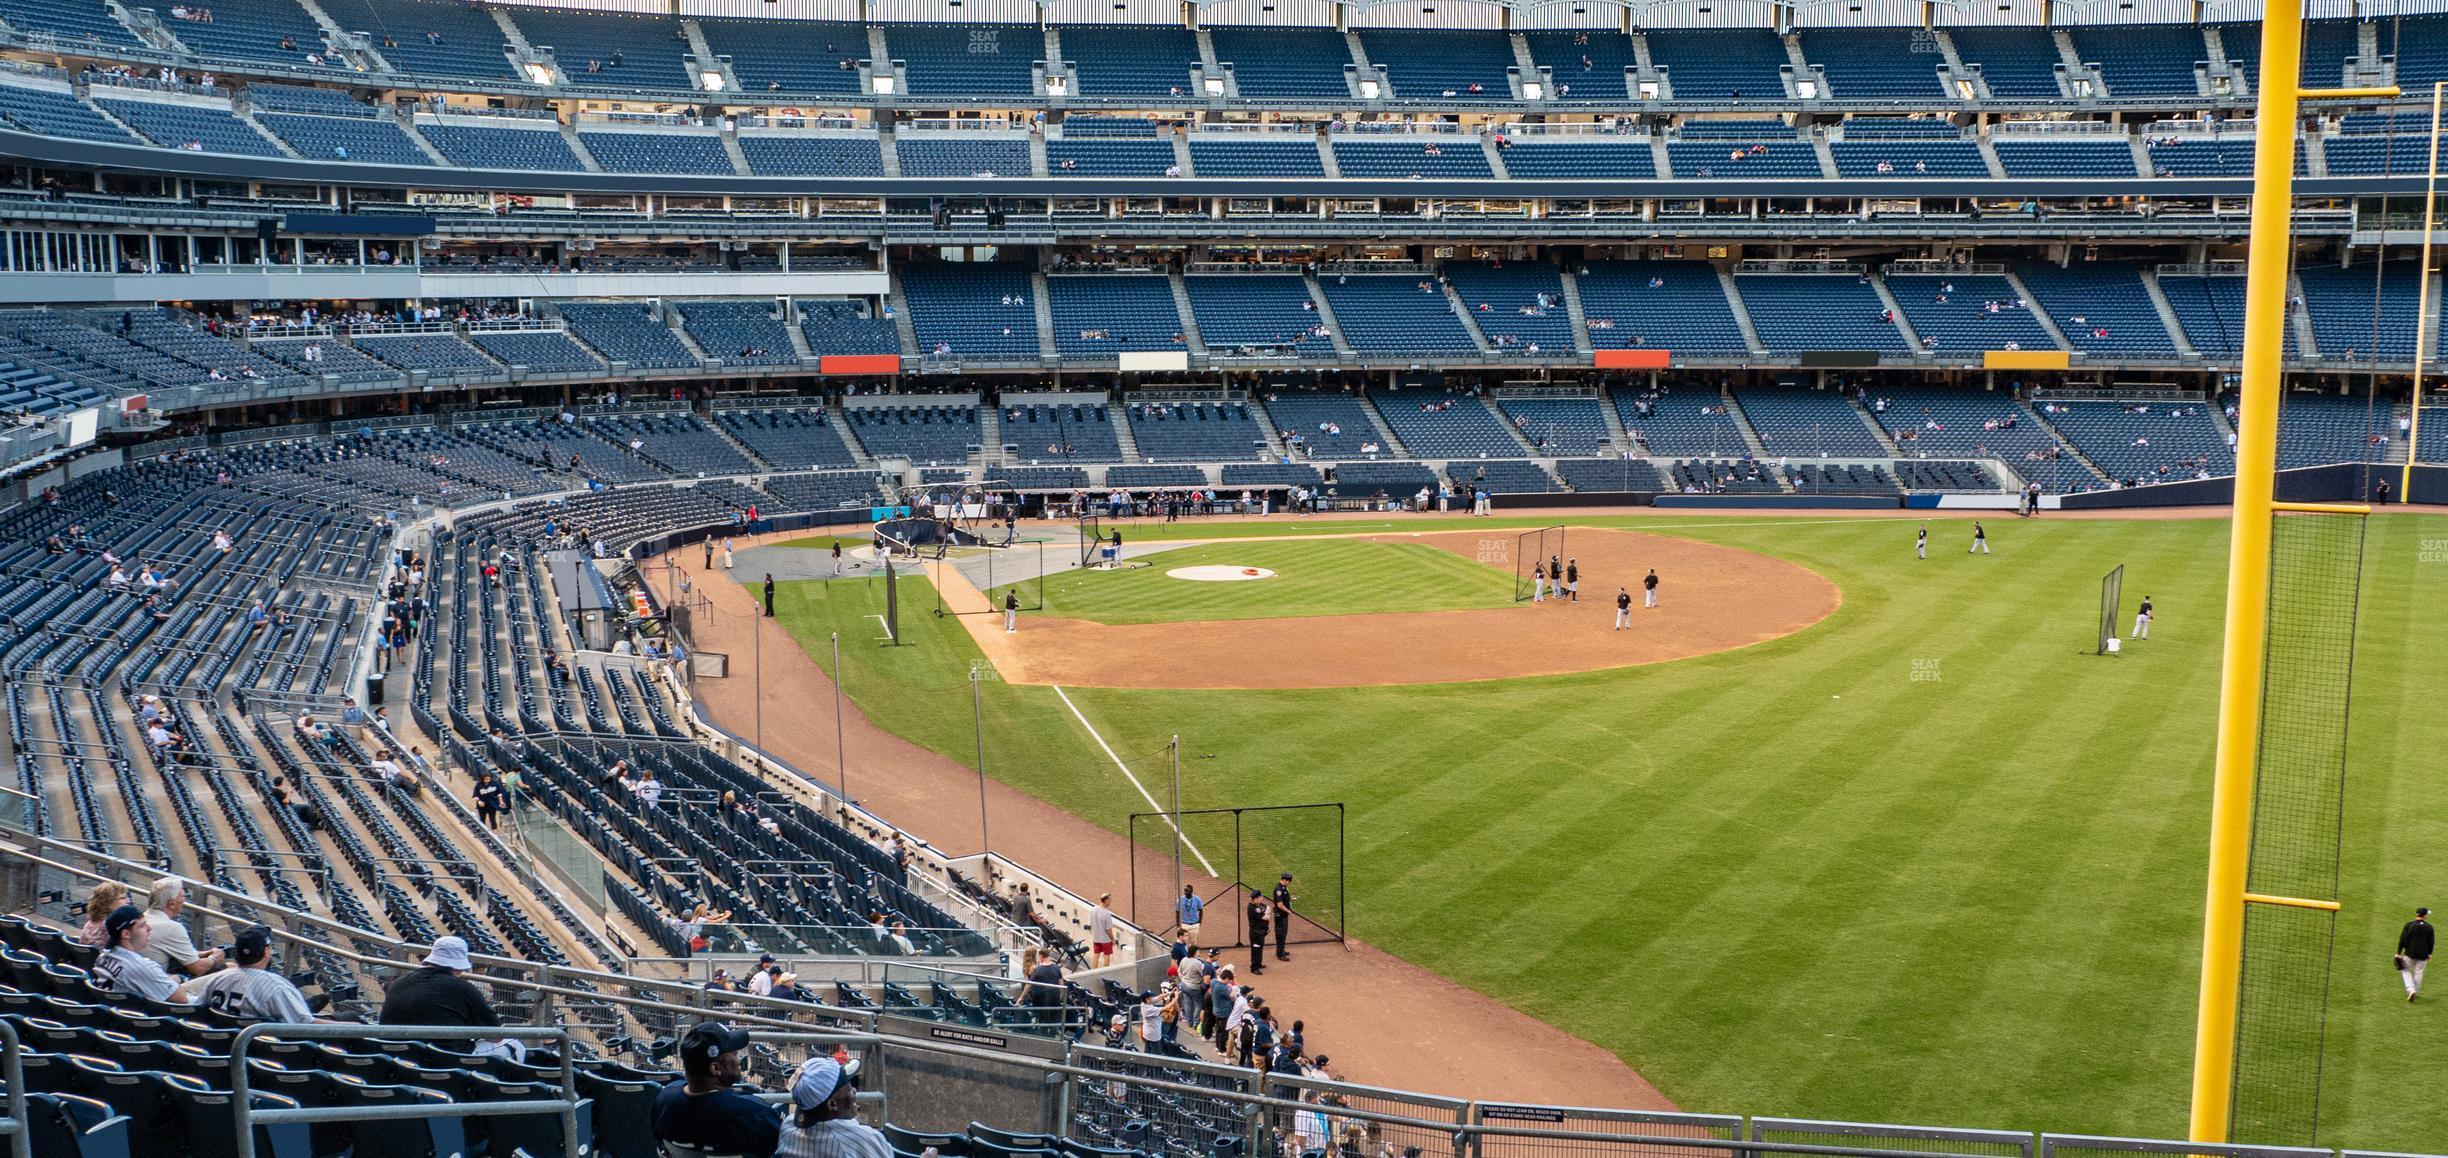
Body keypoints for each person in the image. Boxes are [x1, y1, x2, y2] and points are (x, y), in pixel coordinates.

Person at [651, 1022, 782, 1158]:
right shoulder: (753, 1113)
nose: (739, 1061)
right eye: (735, 1054)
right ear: (716, 1069)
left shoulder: (664, 1099)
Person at [180, 925, 324, 1023]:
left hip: (222, 1047)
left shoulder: (218, 978)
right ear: (266, 952)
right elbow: (306, 1024)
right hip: (263, 1055)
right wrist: (345, 1027)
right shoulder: (276, 986)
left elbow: (198, 1008)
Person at [379, 936, 502, 1029]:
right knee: (513, 1044)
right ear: (459, 966)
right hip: (445, 1058)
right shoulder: (463, 988)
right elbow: (496, 1034)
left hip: (397, 1056)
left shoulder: (399, 982)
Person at [777, 1055, 885, 1158]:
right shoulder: (863, 1139)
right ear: (832, 1104)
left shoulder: (788, 1127)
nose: (854, 1090)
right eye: (849, 1088)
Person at [94, 905, 191, 1003]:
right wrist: (177, 979)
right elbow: (182, 999)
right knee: (207, 983)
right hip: (171, 1012)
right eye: (142, 925)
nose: (149, 929)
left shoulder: (102, 957)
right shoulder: (140, 966)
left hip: (115, 1013)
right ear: (126, 934)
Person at [146, 878, 225, 977]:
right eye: (183, 896)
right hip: (158, 984)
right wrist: (214, 957)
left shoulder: (144, 917)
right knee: (230, 969)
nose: (185, 900)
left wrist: (205, 953)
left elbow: (177, 950)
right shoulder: (172, 928)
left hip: (145, 979)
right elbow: (198, 968)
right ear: (172, 903)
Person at [2400, 906, 2434, 1002]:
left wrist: (2398, 952)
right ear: (2425, 916)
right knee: (2418, 972)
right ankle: (2415, 991)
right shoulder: (2429, 927)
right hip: (2423, 954)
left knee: (2405, 969)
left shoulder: (2409, 925)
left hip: (2410, 953)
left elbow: (2403, 939)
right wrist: (2430, 953)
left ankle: (2411, 990)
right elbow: (2431, 942)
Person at [77, 881, 128, 946]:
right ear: (109, 902)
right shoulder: (110, 926)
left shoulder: (93, 921)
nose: (127, 901)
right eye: (123, 898)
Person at [1246, 889, 1272, 975]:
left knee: (1260, 949)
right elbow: (1266, 917)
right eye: (1260, 898)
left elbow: (1267, 908)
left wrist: (1267, 911)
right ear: (1255, 899)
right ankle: (1254, 968)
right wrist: (1267, 912)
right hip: (1255, 934)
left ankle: (1259, 964)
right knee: (1255, 950)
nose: (1261, 899)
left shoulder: (1259, 905)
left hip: (1261, 933)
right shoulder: (1252, 908)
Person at [1089, 893, 1117, 968]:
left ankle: (1093, 971)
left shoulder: (1093, 909)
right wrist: (1112, 939)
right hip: (1105, 940)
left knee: (1096, 955)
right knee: (1106, 956)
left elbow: (1091, 923)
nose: (1111, 901)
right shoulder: (1107, 913)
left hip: (1096, 938)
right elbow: (1108, 929)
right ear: (1106, 900)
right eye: (1110, 900)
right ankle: (1105, 973)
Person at [1271, 873, 1294, 961]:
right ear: (1285, 880)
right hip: (1280, 915)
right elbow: (1280, 905)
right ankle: (1280, 954)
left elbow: (1284, 899)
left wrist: (1290, 899)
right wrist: (1288, 911)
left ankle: (1281, 950)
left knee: (1283, 933)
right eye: (1288, 881)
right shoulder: (1278, 889)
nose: (1289, 883)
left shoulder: (1283, 888)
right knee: (1280, 934)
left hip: (1283, 915)